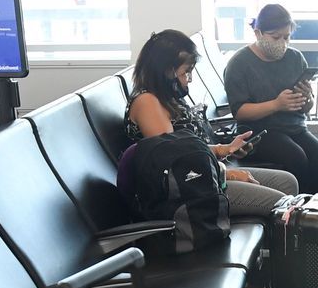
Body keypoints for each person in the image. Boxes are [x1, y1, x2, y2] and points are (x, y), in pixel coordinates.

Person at [126, 29, 298, 217]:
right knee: (281, 204)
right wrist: (227, 173)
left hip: (203, 174)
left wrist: (223, 149)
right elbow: (175, 164)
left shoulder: (167, 97)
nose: (189, 79)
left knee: (287, 182)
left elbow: (188, 148)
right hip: (187, 191)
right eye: (186, 72)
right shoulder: (148, 103)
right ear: (168, 71)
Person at [222, 4, 318, 194]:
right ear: (258, 33)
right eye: (276, 37)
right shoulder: (239, 63)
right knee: (296, 159)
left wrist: (306, 98)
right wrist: (276, 104)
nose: (282, 42)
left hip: (294, 127)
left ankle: (308, 205)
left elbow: (307, 107)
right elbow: (240, 112)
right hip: (259, 131)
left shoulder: (295, 58)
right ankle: (294, 211)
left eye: (287, 37)